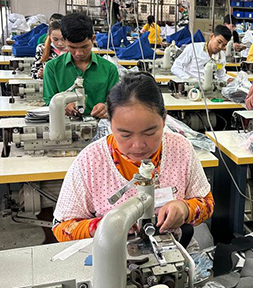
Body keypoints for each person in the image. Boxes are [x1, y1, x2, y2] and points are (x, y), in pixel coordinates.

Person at [53, 73, 214, 248]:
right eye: (125, 135)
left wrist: (185, 209)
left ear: (164, 119)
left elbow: (207, 202)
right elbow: (62, 228)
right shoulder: (91, 161)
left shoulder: (180, 149)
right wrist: (103, 226)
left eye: (150, 132)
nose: (138, 146)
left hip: (172, 249)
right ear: (110, 123)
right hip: (111, 256)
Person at [42, 13, 120, 120]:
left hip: (100, 127)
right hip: (64, 127)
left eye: (84, 47)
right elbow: (49, 100)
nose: (79, 53)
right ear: (64, 41)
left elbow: (116, 102)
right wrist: (63, 106)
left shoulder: (109, 69)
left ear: (93, 39)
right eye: (72, 47)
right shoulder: (52, 68)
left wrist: (106, 107)